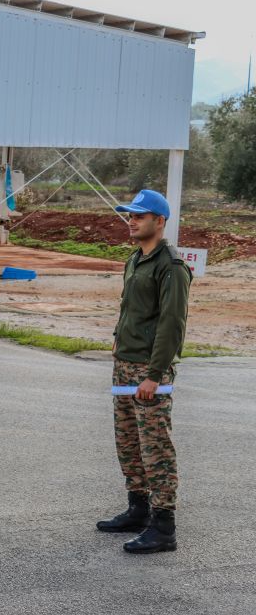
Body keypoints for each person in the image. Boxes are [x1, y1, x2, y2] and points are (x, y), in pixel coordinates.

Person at [97, 189, 191, 554]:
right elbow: (130, 310)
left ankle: (163, 525)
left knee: (156, 448)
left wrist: (155, 374)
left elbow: (172, 325)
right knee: (129, 442)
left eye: (139, 216)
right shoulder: (136, 258)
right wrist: (118, 341)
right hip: (125, 366)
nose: (131, 221)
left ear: (160, 221)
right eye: (130, 216)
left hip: (149, 371)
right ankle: (138, 509)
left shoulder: (172, 266)